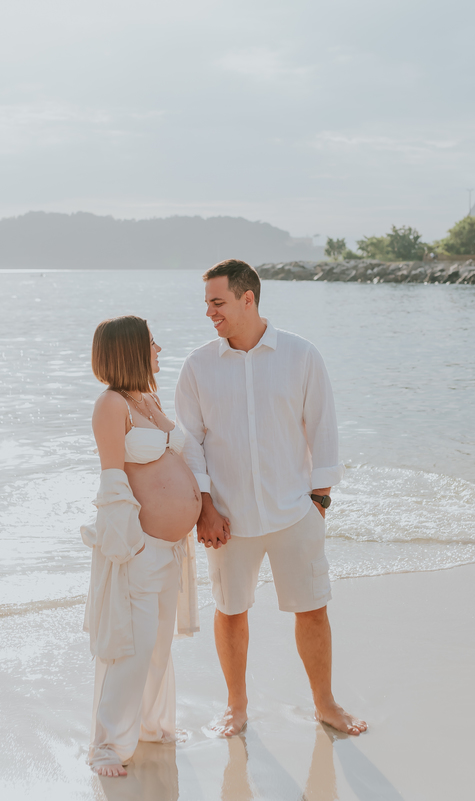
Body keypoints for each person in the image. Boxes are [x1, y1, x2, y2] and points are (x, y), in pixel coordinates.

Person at [175, 259, 368, 738]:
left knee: (313, 608)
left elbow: (323, 428)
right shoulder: (198, 366)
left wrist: (318, 502)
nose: (209, 313)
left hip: (293, 513)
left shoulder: (301, 356)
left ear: (248, 299)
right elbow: (189, 443)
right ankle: (236, 707)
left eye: (217, 303)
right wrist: (205, 508)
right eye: (206, 304)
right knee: (231, 610)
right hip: (228, 519)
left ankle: (325, 704)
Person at [83, 315, 201, 777]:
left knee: (158, 644)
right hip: (138, 547)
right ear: (130, 349)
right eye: (152, 343)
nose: (160, 349)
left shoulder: (147, 398)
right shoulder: (111, 405)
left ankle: (150, 725)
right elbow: (112, 479)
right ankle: (107, 745)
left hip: (169, 550)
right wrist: (129, 547)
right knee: (133, 646)